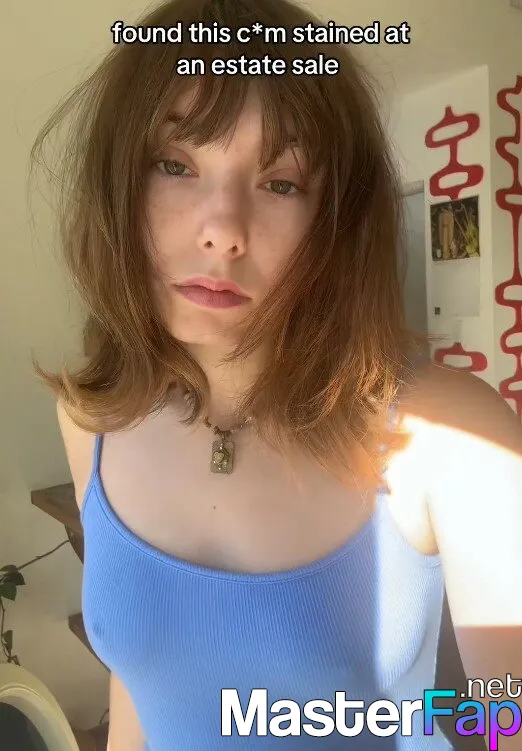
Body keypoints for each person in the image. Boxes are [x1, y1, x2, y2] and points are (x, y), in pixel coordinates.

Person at [31, 0, 522, 748]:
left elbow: (505, 717)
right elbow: (138, 685)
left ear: (336, 221)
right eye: (176, 165)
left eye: (282, 182)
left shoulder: (452, 435)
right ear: (116, 186)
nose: (223, 231)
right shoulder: (92, 417)